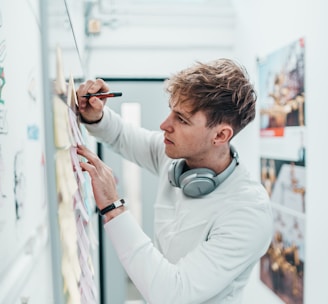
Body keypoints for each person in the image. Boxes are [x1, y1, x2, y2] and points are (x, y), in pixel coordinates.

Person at [76, 58, 273, 304]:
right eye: (171, 111)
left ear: (221, 135)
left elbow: (172, 294)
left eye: (181, 119)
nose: (164, 125)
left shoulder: (248, 212)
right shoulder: (174, 157)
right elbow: (121, 135)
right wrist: (95, 115)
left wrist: (113, 207)